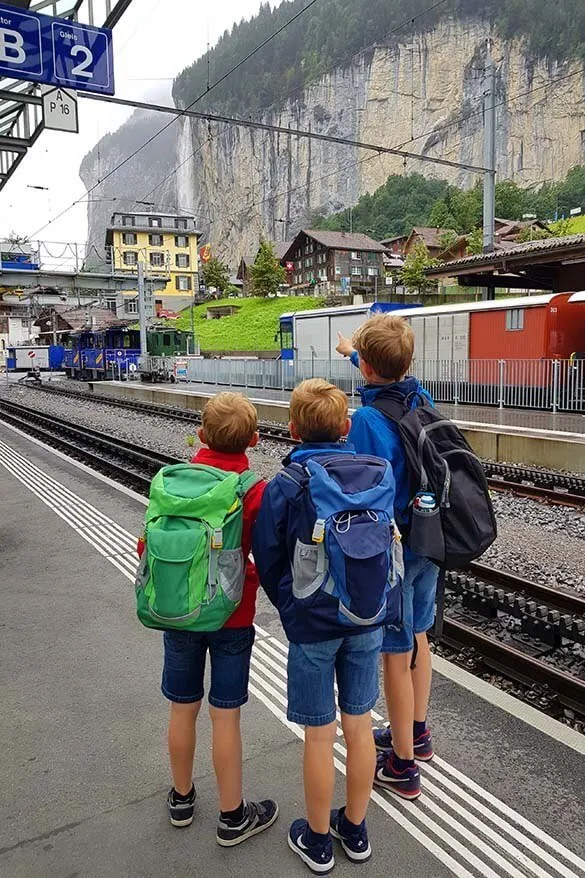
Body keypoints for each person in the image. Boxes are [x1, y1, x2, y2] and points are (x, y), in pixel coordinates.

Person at [254, 378, 398, 873]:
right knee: (359, 727)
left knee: (320, 735)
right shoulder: (377, 473)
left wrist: (291, 609)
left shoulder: (288, 484)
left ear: (292, 429)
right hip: (367, 617)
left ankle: (316, 840)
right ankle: (354, 829)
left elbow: (267, 556)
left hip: (312, 626)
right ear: (345, 427)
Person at [138, 392, 278, 844]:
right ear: (254, 440)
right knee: (225, 717)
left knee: (182, 707)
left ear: (199, 435)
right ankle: (232, 816)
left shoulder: (172, 482)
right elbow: (264, 551)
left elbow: (147, 548)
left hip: (179, 613)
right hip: (232, 617)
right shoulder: (252, 488)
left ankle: (181, 799)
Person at [336, 317, 439, 800]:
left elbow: (356, 487)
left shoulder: (366, 421)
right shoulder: (421, 400)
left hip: (396, 549)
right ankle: (416, 733)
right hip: (431, 538)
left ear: (368, 369)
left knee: (395, 654)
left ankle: (401, 765)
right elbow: (384, 372)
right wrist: (352, 353)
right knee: (420, 633)